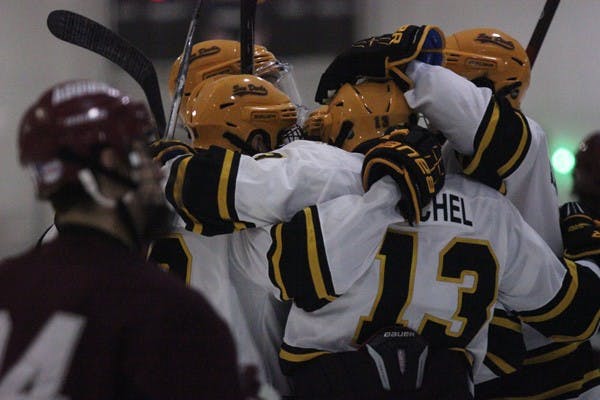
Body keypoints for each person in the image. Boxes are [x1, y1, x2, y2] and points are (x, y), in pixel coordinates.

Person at [0, 80, 243, 400]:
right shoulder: (171, 314)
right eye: (144, 153)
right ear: (110, 164)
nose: (158, 173)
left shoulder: (7, 283)